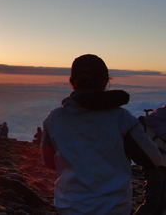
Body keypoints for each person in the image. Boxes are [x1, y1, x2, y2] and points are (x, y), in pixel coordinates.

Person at [41, 54, 162, 215]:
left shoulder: (54, 119)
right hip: (115, 210)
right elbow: (154, 162)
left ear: (72, 82)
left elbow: (49, 162)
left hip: (68, 209)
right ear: (106, 82)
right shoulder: (121, 119)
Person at [134, 106, 166, 214]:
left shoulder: (158, 116)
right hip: (155, 161)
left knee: (158, 202)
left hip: (155, 160)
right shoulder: (158, 119)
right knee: (153, 202)